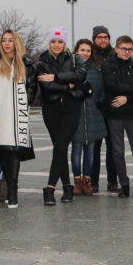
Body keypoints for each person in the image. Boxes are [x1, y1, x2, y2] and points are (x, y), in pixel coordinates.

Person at [0, 29, 37, 209]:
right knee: (4, 150)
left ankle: (12, 190)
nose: (7, 43)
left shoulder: (26, 64)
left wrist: (24, 99)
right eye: (4, 40)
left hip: (18, 114)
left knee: (14, 150)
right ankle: (8, 189)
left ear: (16, 43)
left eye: (10, 40)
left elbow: (32, 87)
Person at [36, 28, 87, 205]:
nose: (56, 45)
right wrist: (69, 85)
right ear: (49, 43)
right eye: (53, 41)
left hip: (71, 109)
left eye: (60, 41)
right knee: (60, 148)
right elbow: (46, 87)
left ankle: (49, 188)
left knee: (60, 146)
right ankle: (67, 186)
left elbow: (81, 75)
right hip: (51, 109)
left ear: (65, 44)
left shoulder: (75, 58)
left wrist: (56, 77)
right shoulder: (42, 61)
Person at [103, 35, 133, 197]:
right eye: (123, 48)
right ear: (116, 49)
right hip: (115, 115)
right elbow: (111, 87)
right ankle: (124, 185)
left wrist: (127, 98)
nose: (126, 52)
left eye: (129, 49)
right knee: (117, 151)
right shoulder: (108, 65)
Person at [71, 39, 106, 195]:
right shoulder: (70, 68)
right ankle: (77, 181)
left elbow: (101, 93)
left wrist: (99, 103)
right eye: (82, 50)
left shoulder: (96, 70)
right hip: (76, 115)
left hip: (93, 116)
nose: (85, 53)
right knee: (76, 150)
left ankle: (87, 181)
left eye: (88, 51)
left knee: (91, 152)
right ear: (76, 51)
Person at [89, 25, 116, 193]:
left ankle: (113, 180)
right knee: (95, 147)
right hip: (95, 108)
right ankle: (93, 181)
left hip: (112, 107)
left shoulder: (115, 56)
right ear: (94, 39)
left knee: (113, 147)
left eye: (105, 37)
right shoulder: (89, 57)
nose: (103, 40)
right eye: (99, 37)